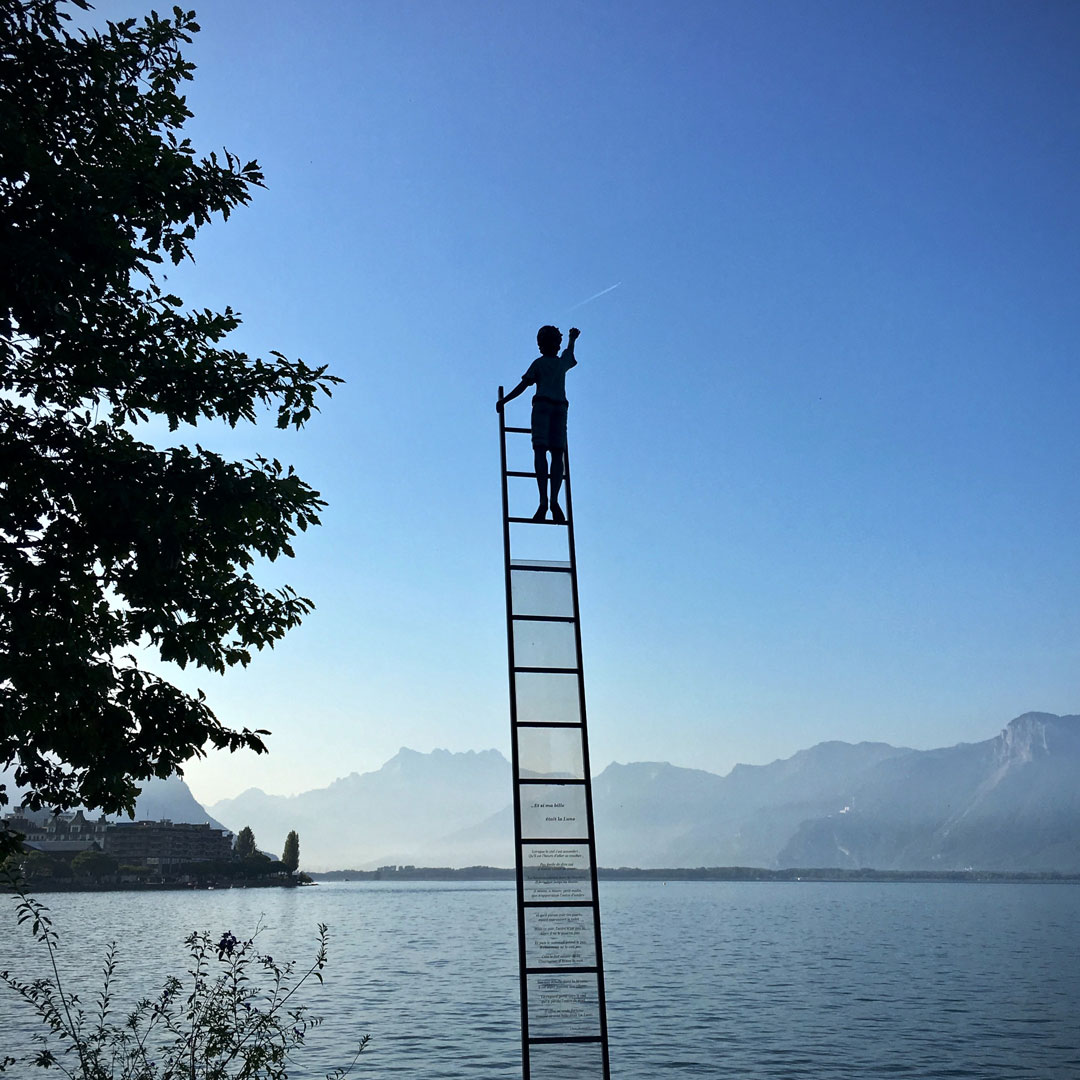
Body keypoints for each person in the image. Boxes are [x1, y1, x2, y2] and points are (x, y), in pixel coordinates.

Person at [497, 325, 580, 522]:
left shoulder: (542, 363)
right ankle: (549, 501)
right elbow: (569, 354)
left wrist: (505, 401)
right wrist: (572, 339)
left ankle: (548, 501)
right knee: (553, 454)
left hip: (547, 406)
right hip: (557, 407)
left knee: (546, 452)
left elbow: (524, 385)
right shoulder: (557, 363)